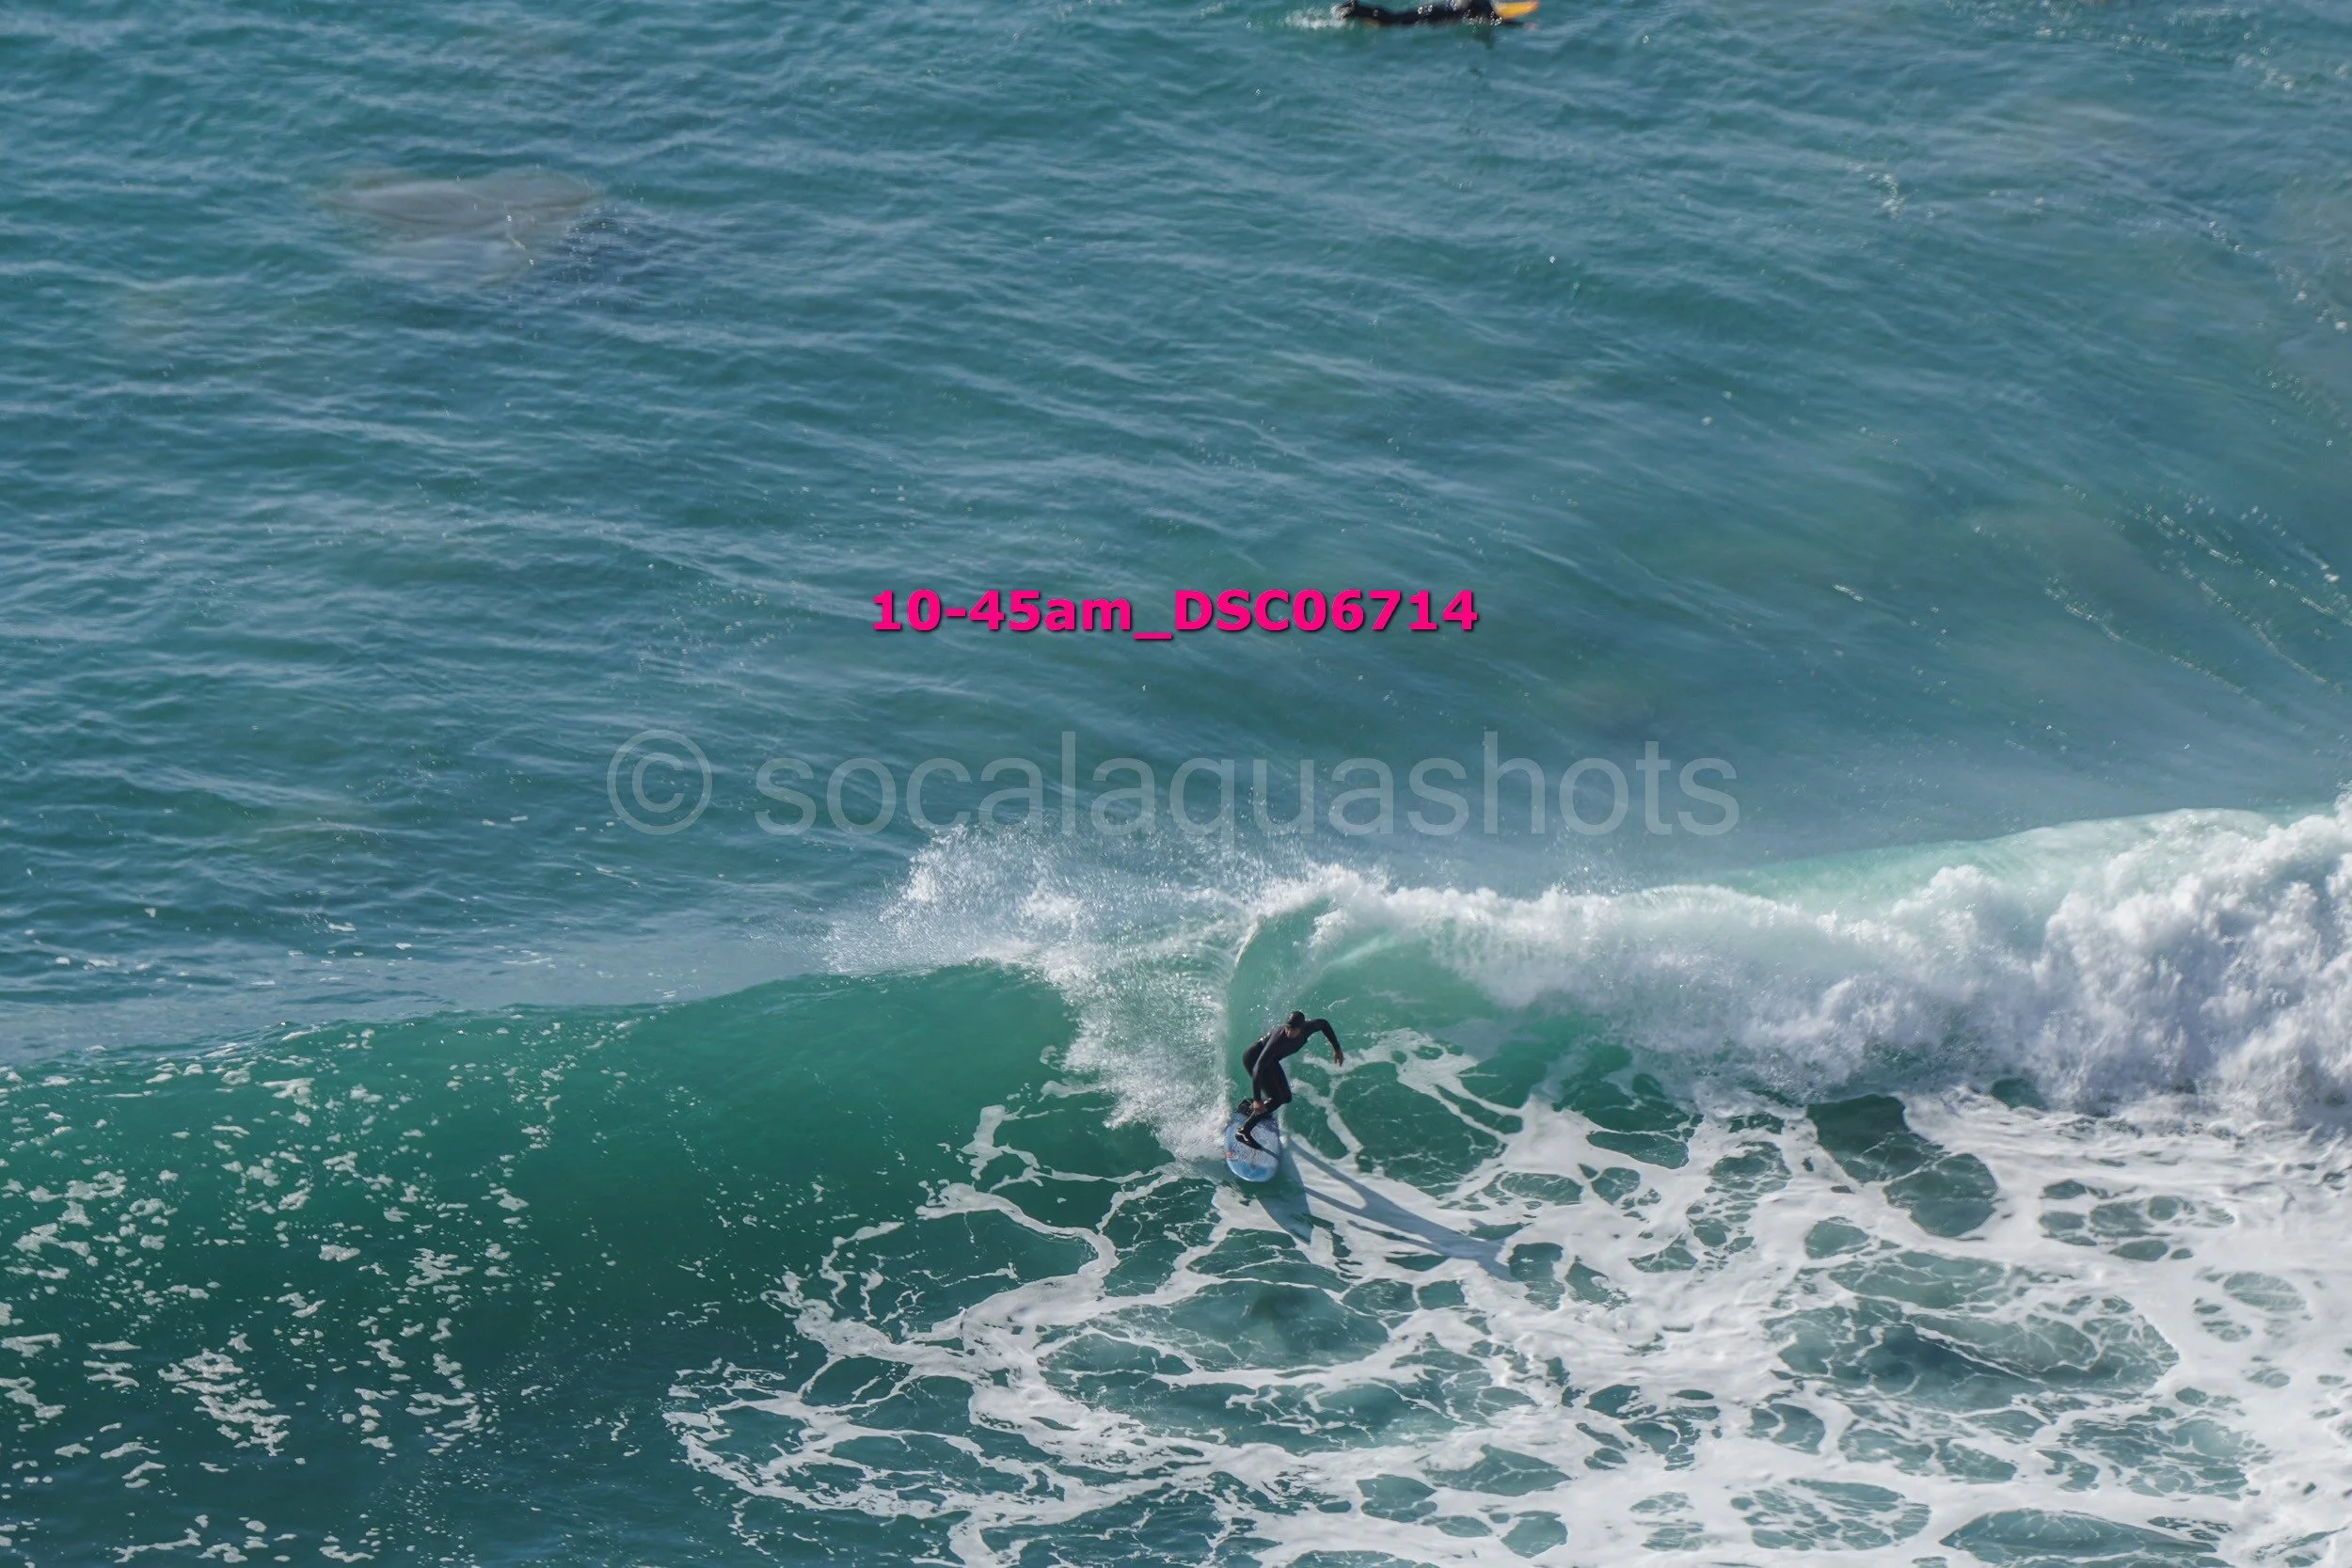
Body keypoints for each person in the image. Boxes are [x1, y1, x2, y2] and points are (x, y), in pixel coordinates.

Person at [1236, 1010, 1344, 1153]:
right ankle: (1244, 1131)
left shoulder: (1309, 1027)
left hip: (1271, 1061)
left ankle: (1250, 1108)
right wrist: (1257, 1099)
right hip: (1254, 1059)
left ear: (1301, 1028)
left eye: (1293, 1029)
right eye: (1287, 1027)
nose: (1289, 1032)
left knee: (1286, 1098)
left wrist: (1336, 1047)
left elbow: (1324, 1024)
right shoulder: (1278, 1039)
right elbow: (1258, 1068)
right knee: (1276, 1099)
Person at [1334, 0, 1537, 25]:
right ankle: (1358, 10)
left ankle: (1359, 9)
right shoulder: (1480, 6)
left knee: (1398, 16)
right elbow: (1495, 20)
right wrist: (1523, 26)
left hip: (1433, 9)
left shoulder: (1472, 3)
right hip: (1432, 16)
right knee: (1393, 22)